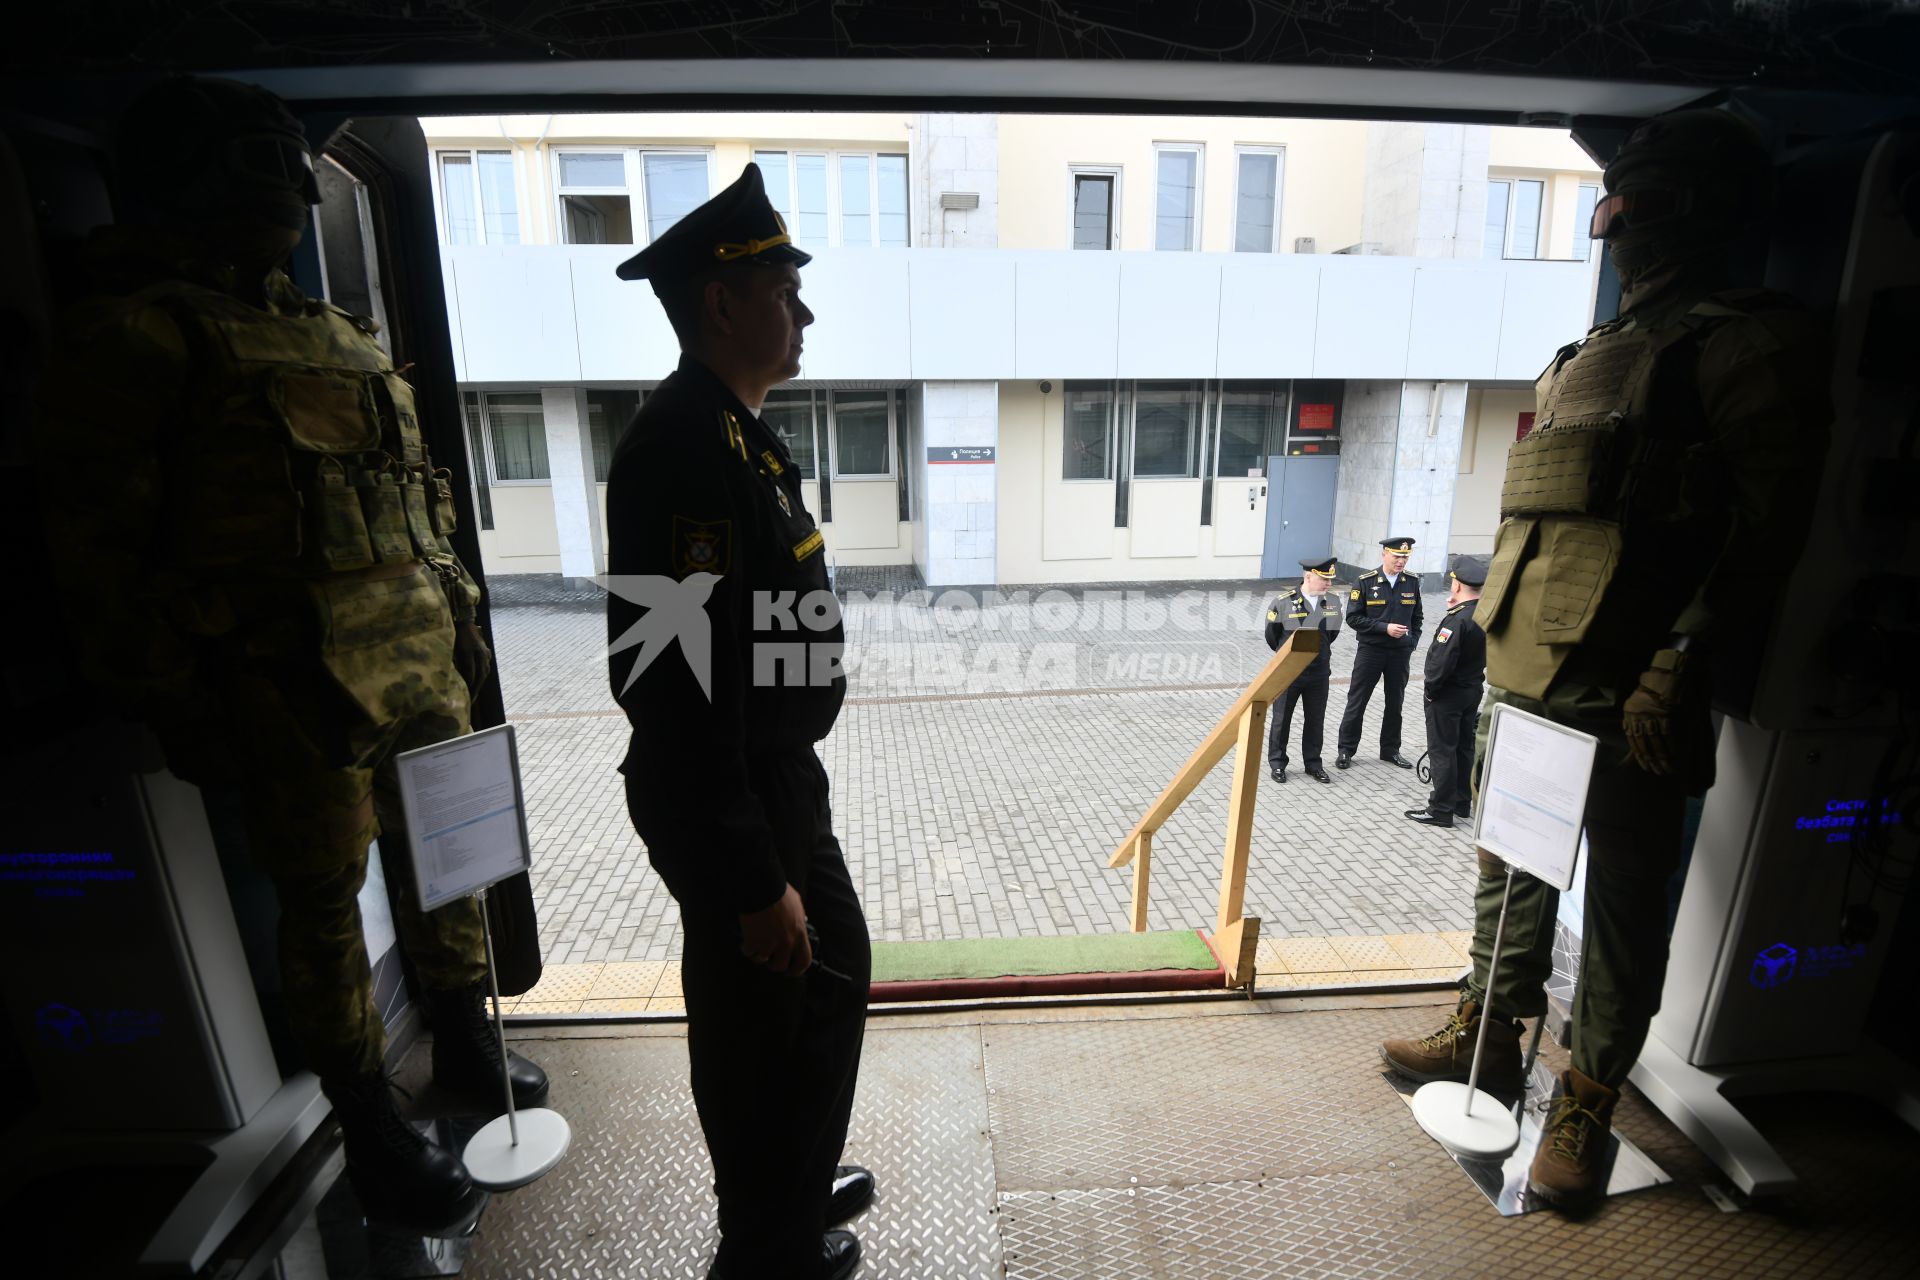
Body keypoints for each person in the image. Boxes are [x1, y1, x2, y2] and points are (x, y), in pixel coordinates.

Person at [33, 76, 546, 1228]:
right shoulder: (141, 336)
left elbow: (418, 505)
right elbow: (94, 549)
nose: (279, 183)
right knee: (322, 900)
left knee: (452, 857)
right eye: (250, 158)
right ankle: (369, 1117)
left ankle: (466, 1033)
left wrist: (461, 622)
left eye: (284, 158)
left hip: (416, 656)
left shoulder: (336, 335)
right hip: (283, 681)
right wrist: (172, 693)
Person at [1378, 108, 1826, 1211]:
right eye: (1610, 203)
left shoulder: (1747, 344)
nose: (1617, 224)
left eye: (1640, 201)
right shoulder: (1589, 354)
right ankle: (1487, 1032)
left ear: (1701, 209)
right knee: (1508, 866)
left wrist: (1685, 657)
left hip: (1634, 683)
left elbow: (1772, 528)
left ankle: (1585, 1093)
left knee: (1628, 896)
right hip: (1528, 670)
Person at [606, 163, 871, 1280]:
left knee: (827, 977)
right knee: (764, 1014)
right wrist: (753, 875)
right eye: (782, 288)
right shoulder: (682, 453)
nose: (802, 311)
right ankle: (764, 1247)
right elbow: (670, 685)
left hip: (775, 772)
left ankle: (789, 1191)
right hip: (730, 786)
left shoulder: (738, 438)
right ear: (722, 303)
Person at [1405, 555, 1488, 828]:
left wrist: (1431, 690)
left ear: (1456, 586)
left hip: (1448, 694)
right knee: (1464, 747)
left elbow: (1441, 663)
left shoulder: (1457, 621)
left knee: (1442, 750)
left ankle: (1440, 809)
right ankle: (1462, 803)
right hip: (1472, 689)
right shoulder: (1483, 614)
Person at [1335, 537, 1423, 769]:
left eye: (1405, 557)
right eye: (1397, 556)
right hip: (1371, 651)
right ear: (1384, 554)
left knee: (1396, 703)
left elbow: (1417, 617)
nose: (1401, 561)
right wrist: (1385, 628)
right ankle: (1346, 750)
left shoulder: (1411, 582)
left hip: (1399, 654)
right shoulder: (1365, 582)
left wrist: (1412, 642)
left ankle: (1390, 750)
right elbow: (1353, 618)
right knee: (1357, 700)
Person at [1264, 556, 1342, 784]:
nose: (1328, 584)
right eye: (1323, 579)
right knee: (1281, 719)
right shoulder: (1283, 602)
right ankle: (1277, 763)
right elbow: (1273, 637)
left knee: (1315, 720)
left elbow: (1331, 635)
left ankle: (1313, 764)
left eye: (1330, 580)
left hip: (1318, 673)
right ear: (1308, 576)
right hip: (1288, 673)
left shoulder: (1333, 603)